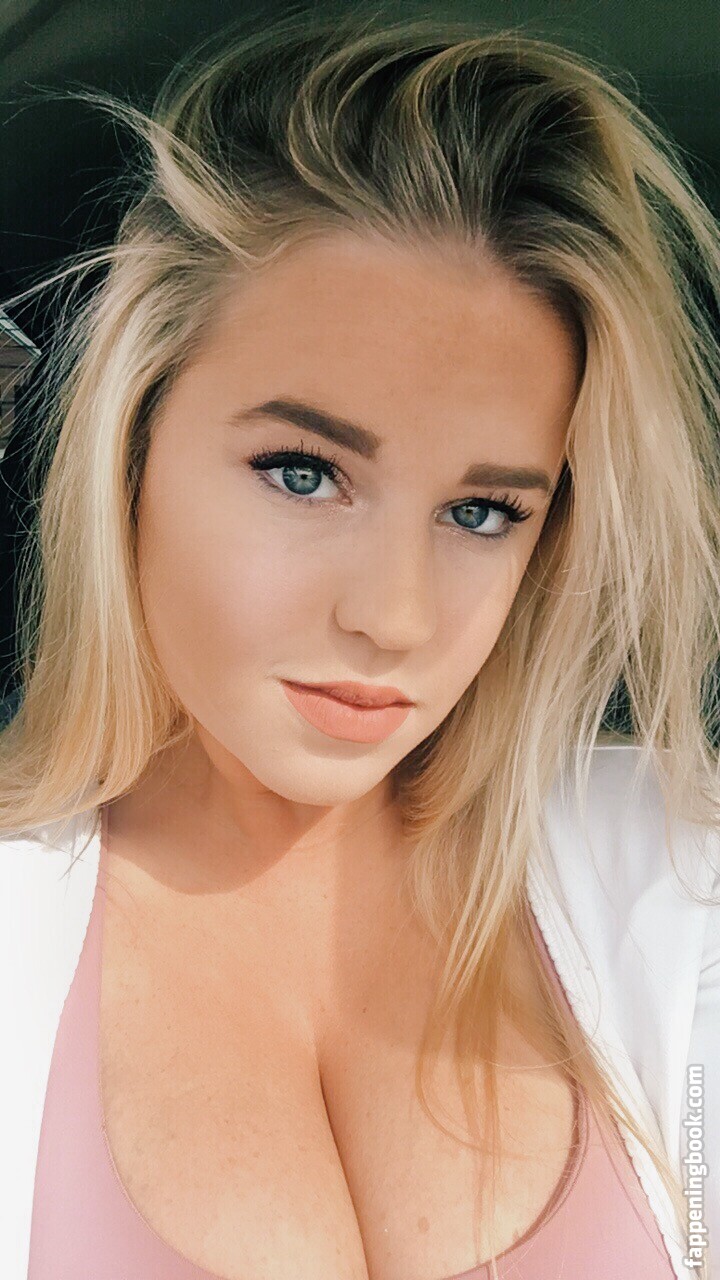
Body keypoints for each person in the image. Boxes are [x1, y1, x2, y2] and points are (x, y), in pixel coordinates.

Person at [0, 10, 718, 1280]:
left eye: (482, 511)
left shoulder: (683, 877)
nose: (394, 616)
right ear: (130, 438)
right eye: (303, 471)